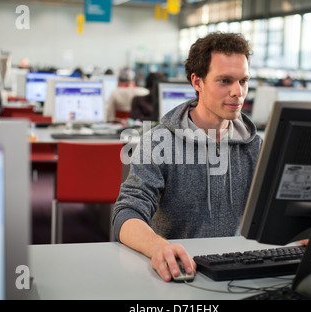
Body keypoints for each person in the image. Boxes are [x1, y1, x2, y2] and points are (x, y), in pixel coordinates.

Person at [112, 32, 262, 282]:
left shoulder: (254, 145)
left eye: (243, 81)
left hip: (238, 271)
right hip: (180, 271)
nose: (238, 92)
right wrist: (158, 247)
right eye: (225, 81)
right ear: (197, 81)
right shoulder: (159, 141)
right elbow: (127, 213)